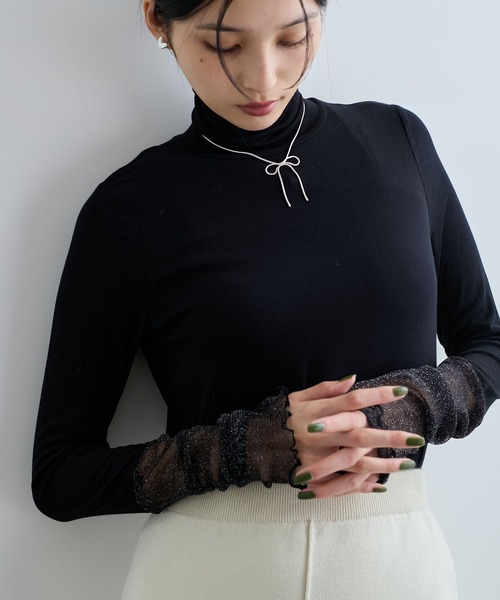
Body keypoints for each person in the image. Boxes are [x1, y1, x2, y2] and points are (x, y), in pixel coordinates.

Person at [32, 0, 500, 598]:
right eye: (225, 46)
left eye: (292, 38)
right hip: (212, 568)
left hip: (397, 565)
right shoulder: (129, 210)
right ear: (157, 20)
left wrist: (402, 412)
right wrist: (248, 447)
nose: (263, 78)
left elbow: (487, 345)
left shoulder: (398, 142)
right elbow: (60, 477)